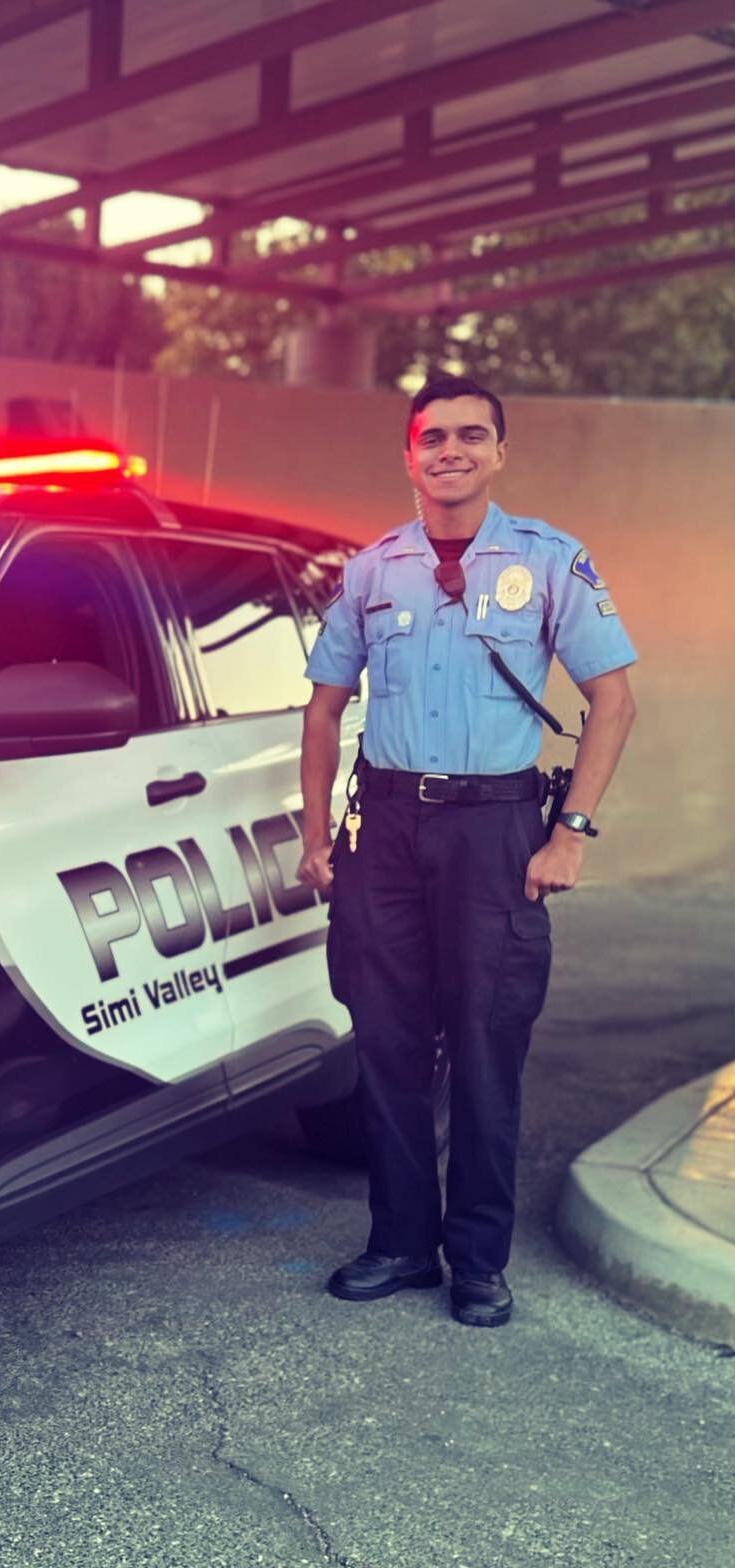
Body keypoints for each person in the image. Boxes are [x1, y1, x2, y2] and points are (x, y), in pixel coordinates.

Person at [296, 374, 637, 1327]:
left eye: (470, 436)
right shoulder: (371, 572)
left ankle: (478, 1259)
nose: (450, 450)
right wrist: (317, 833)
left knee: (488, 1044)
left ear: (498, 452)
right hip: (388, 828)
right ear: (409, 456)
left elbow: (614, 696)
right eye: (432, 436)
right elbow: (324, 710)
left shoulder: (551, 560)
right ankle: (401, 1242)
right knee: (391, 1042)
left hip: (495, 828)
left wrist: (569, 831)